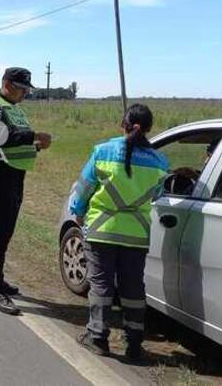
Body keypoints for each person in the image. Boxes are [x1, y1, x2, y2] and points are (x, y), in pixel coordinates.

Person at [71, 104, 168, 362]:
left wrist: (77, 211)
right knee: (133, 288)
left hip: (101, 232)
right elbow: (158, 194)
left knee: (101, 286)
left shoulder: (102, 151)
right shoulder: (160, 161)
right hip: (136, 235)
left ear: (123, 124)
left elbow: (83, 188)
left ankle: (97, 338)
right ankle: (134, 344)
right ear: (149, 129)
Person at [0, 67, 52, 315]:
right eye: (21, 88)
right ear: (6, 84)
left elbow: (14, 143)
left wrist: (34, 146)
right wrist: (34, 135)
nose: (25, 94)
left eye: (27, 89)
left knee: (5, 232)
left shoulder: (13, 108)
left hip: (12, 177)